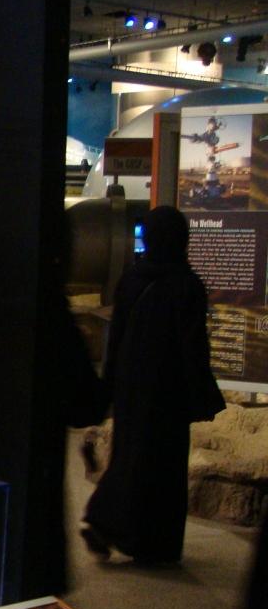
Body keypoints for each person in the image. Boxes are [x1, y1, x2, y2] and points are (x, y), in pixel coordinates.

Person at [82, 205, 225, 565]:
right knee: (163, 466)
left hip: (131, 386)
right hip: (168, 391)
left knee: (129, 455)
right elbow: (192, 345)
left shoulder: (132, 279)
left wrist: (109, 384)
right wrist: (201, 392)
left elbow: (116, 338)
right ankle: (153, 543)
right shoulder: (187, 285)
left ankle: (107, 523)